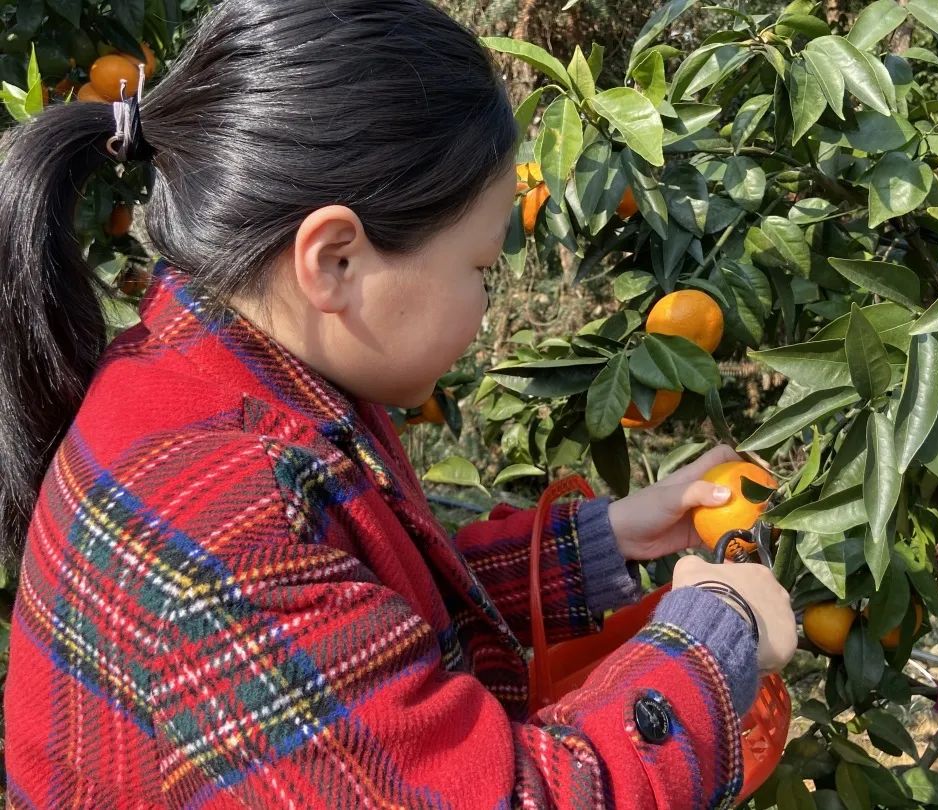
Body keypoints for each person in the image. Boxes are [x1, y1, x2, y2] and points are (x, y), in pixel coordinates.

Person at [0, 1, 797, 806]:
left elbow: (355, 607)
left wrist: (601, 543)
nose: (486, 306)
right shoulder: (233, 524)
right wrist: (712, 635)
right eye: (480, 267)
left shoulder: (211, 374)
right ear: (336, 260)